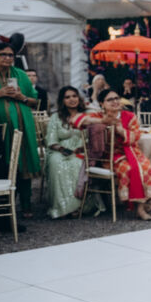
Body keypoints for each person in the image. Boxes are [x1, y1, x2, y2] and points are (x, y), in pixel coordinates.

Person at [0, 40, 40, 217]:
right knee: (3, 164)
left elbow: (35, 101)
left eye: (11, 55)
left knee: (23, 163)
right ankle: (4, 205)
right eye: (3, 54)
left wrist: (21, 97)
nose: (7, 58)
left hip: (23, 127)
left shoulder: (21, 75)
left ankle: (26, 203)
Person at [73, 89, 151, 220]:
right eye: (110, 99)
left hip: (131, 151)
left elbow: (136, 135)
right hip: (109, 156)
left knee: (146, 166)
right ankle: (131, 204)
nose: (115, 101)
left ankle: (141, 208)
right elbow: (76, 120)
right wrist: (102, 121)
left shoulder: (129, 116)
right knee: (128, 168)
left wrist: (121, 130)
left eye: (117, 98)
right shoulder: (98, 116)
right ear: (102, 103)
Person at [43, 86, 90, 218]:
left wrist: (83, 148)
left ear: (79, 98)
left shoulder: (86, 116)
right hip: (59, 150)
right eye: (67, 97)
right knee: (57, 163)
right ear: (62, 100)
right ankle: (61, 207)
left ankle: (79, 207)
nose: (72, 99)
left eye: (74, 96)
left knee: (77, 164)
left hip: (82, 150)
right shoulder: (56, 117)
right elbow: (51, 139)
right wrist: (62, 149)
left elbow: (92, 137)